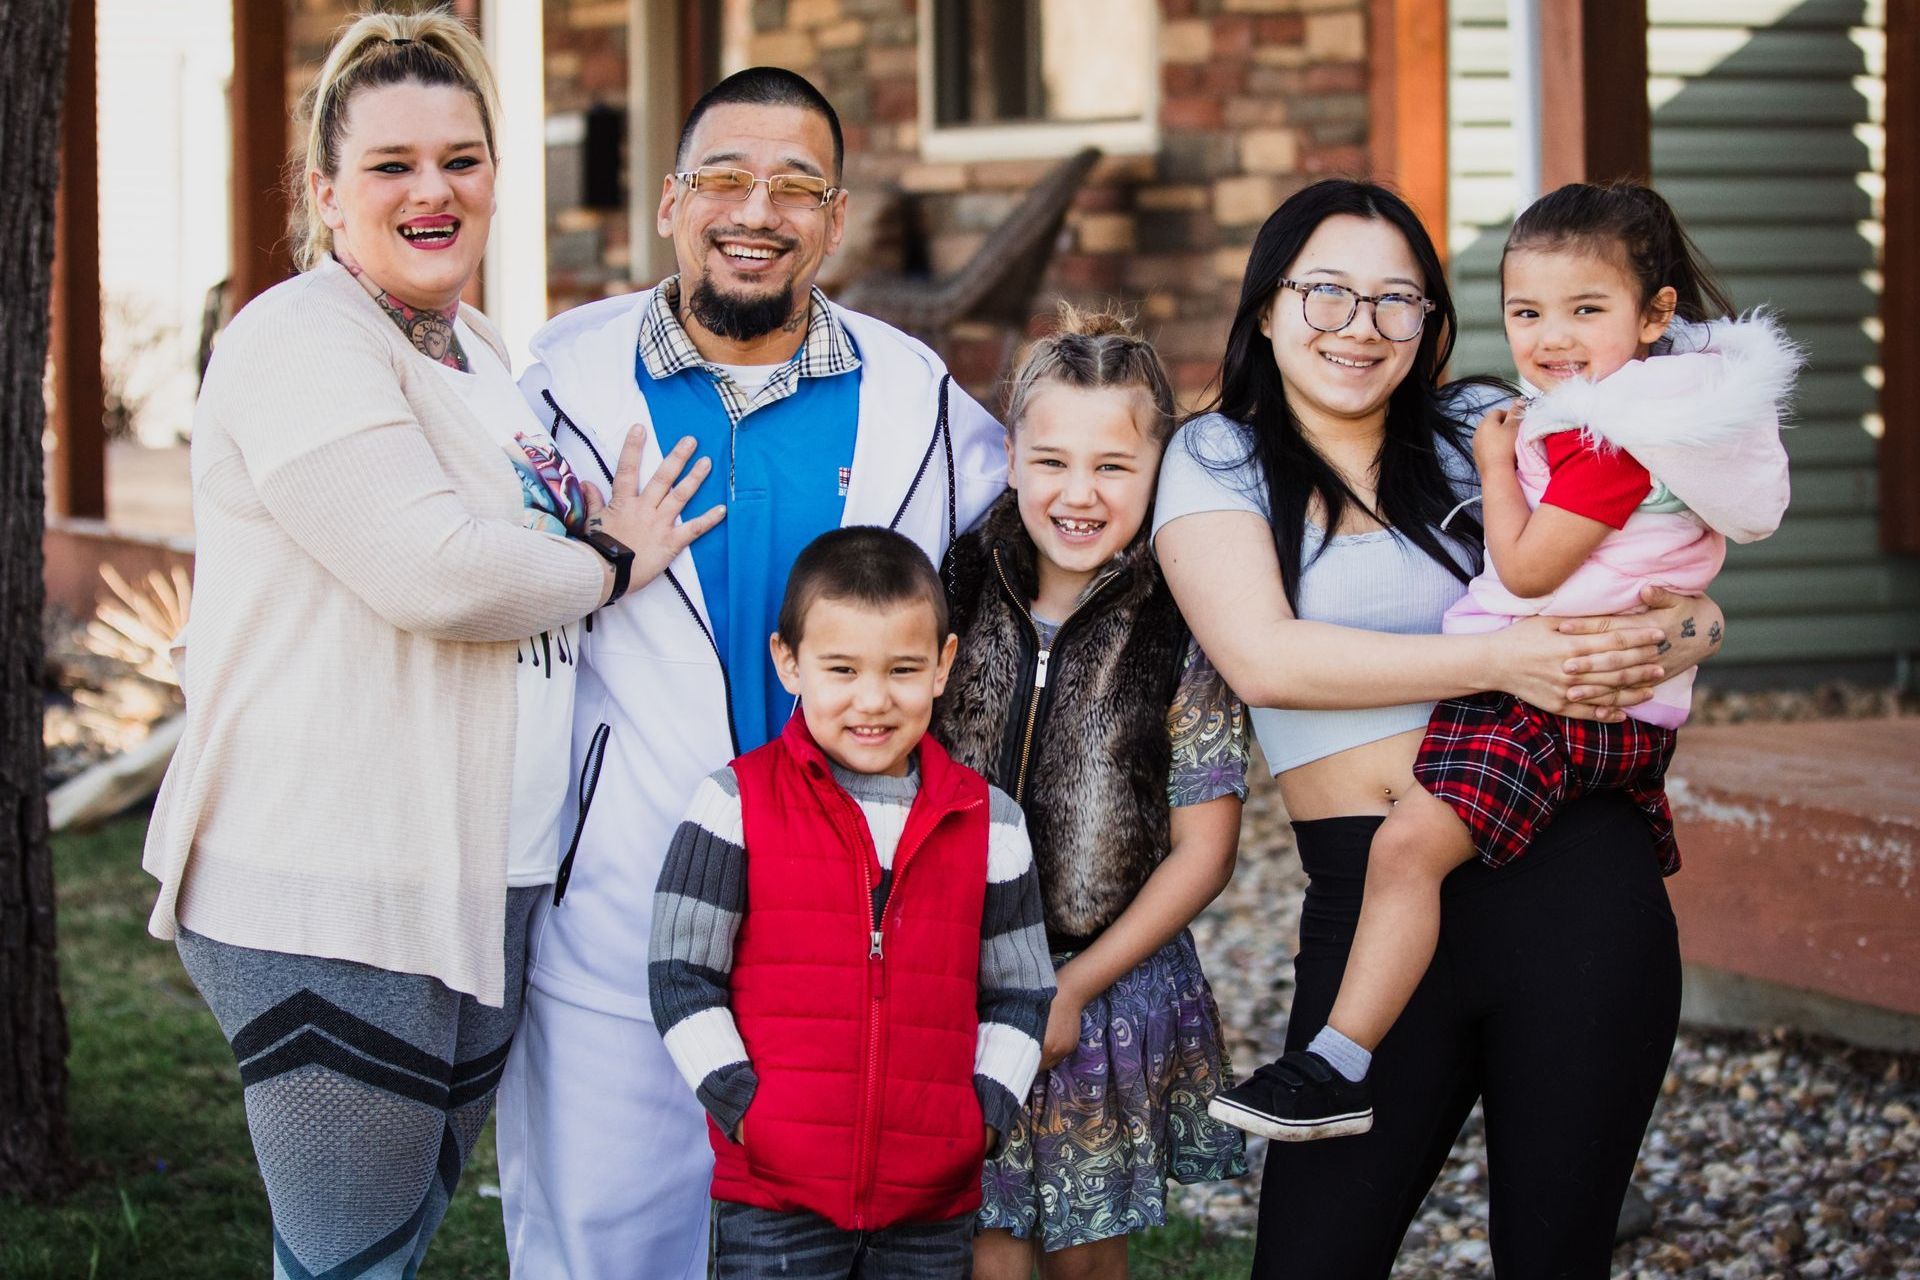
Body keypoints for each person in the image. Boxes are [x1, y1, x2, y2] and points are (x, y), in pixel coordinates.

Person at [141, 13, 710, 1278]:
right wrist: (615, 559)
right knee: (346, 1259)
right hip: (339, 881)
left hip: (472, 881)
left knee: (388, 1242)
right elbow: (436, 572)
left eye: (461, 157)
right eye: (392, 162)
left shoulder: (481, 351)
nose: (432, 190)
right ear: (324, 191)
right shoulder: (297, 338)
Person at [1151, 179, 1728, 1276]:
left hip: (1569, 881)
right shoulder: (1216, 457)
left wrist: (1694, 623)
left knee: (1552, 1256)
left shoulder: (1491, 428)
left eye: (1395, 301)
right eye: (1325, 294)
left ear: (1431, 322)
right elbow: (1265, 656)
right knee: (1311, 1258)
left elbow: (1665, 570)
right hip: (1372, 899)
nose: (1359, 328)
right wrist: (1506, 657)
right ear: (1266, 308)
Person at [497, 67, 1008, 1277]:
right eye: (724, 177)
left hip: (845, 923)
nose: (756, 209)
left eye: (796, 185)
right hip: (620, 888)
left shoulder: (920, 401)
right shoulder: (561, 392)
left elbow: (1040, 547)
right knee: (603, 1238)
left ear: (834, 219)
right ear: (672, 201)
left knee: (824, 1243)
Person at [931, 307, 1249, 1279]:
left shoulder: (1185, 618)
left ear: (1161, 469)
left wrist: (1072, 985)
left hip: (1098, 986)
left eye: (1113, 465)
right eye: (1051, 460)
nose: (1078, 492)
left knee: (1081, 1252)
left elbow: (1206, 847)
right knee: (984, 1249)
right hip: (958, 980)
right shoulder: (956, 581)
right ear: (1011, 455)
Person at [648, 527, 1055, 1279]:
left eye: (903, 669)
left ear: (944, 665)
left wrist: (984, 1119)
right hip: (773, 1201)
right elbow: (680, 976)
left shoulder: (988, 821)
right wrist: (747, 1112)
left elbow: (1021, 990)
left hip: (931, 1205)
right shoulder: (734, 803)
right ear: (789, 663)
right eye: (842, 669)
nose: (873, 700)